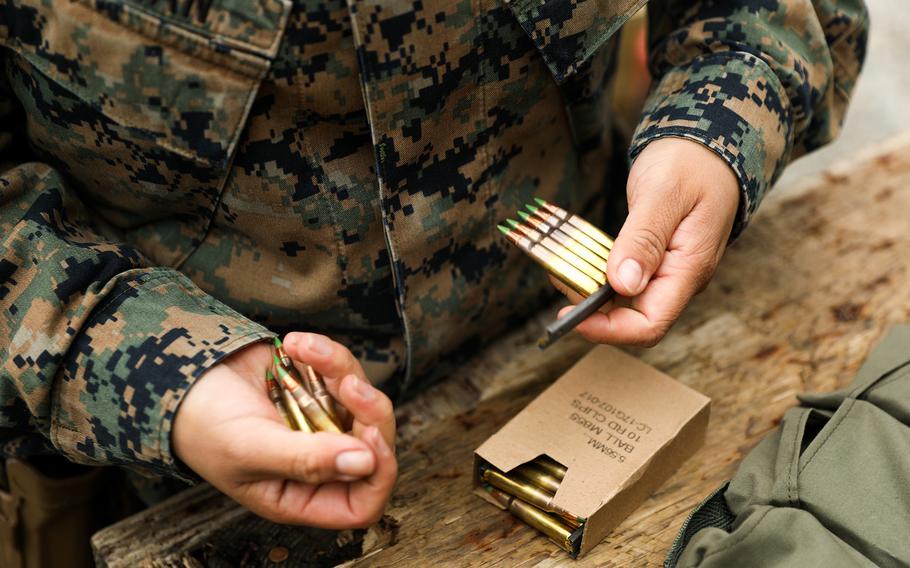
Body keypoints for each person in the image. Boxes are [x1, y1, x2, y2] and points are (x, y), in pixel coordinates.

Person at [0, 0, 867, 533]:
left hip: (569, 342)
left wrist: (716, 132)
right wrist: (161, 371)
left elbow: (771, 13)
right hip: (156, 476)